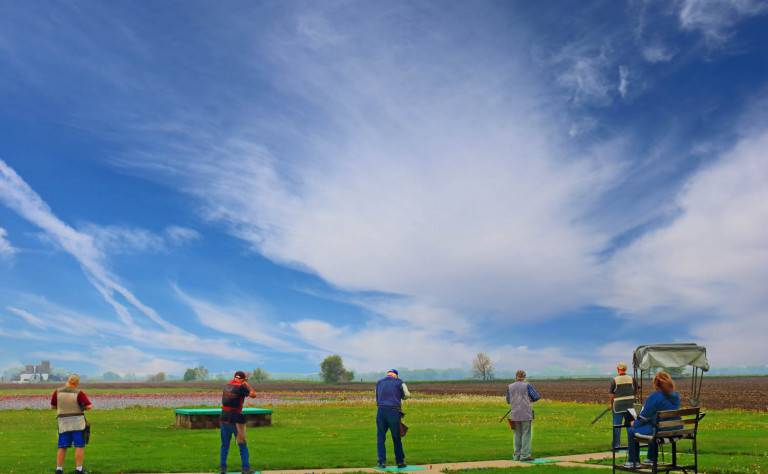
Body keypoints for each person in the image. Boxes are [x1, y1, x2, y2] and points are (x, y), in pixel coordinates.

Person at [624, 371, 681, 469]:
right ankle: (651, 458)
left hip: (660, 430)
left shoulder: (655, 397)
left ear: (655, 384)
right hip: (675, 429)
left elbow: (645, 415)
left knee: (631, 431)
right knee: (653, 427)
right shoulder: (675, 396)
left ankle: (633, 461)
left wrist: (635, 424)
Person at [51, 374, 92, 474]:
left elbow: (53, 406)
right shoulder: (79, 393)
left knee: (62, 446)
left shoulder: (57, 392)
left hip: (63, 423)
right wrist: (83, 408)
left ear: (68, 380)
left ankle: (59, 469)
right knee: (79, 445)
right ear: (77, 383)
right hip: (78, 423)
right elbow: (89, 406)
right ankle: (79, 470)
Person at [219, 371, 257, 474]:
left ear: (234, 377)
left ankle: (222, 468)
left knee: (225, 445)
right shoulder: (241, 387)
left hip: (223, 417)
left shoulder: (226, 386)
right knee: (242, 444)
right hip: (236, 418)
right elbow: (254, 395)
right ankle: (245, 468)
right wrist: (247, 386)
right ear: (243, 379)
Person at [375, 369, 411, 469]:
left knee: (381, 437)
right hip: (393, 412)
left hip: (381, 411)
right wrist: (400, 397)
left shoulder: (379, 382)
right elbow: (407, 395)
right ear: (395, 375)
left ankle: (381, 462)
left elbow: (377, 397)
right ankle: (400, 462)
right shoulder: (399, 382)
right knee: (396, 437)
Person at [506, 369, 540, 462]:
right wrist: (528, 399)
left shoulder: (510, 386)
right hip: (526, 413)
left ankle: (516, 456)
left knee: (517, 434)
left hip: (514, 414)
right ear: (524, 378)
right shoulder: (527, 385)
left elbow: (508, 400)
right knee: (526, 434)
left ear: (516, 377)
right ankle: (524, 455)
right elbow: (536, 396)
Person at [609, 362, 637, 449]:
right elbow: (636, 390)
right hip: (630, 406)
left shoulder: (614, 380)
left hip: (618, 406)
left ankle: (616, 445)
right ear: (625, 369)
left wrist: (611, 404)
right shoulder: (631, 379)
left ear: (618, 369)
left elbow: (612, 395)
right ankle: (631, 445)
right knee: (630, 425)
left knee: (617, 425)